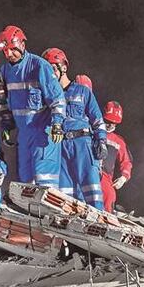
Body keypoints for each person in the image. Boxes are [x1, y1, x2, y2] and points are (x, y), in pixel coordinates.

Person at [0, 25, 66, 188]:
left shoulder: (39, 66)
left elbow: (57, 99)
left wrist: (57, 123)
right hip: (24, 135)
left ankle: (49, 214)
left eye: (12, 50)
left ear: (22, 45)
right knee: (25, 183)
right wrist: (6, 124)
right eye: (5, 51)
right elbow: (4, 101)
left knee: (44, 182)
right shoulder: (5, 71)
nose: (9, 55)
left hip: (43, 133)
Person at [43, 48, 107, 209]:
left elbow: (97, 118)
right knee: (65, 194)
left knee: (91, 190)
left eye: (51, 68)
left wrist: (102, 141)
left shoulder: (82, 91)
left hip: (82, 144)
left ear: (63, 67)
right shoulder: (48, 98)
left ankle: (99, 225)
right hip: (61, 147)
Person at [99, 101, 132, 213]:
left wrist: (123, 178)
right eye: (107, 121)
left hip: (105, 177)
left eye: (113, 123)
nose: (110, 125)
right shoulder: (92, 131)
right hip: (87, 171)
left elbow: (127, 162)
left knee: (109, 195)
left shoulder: (119, 141)